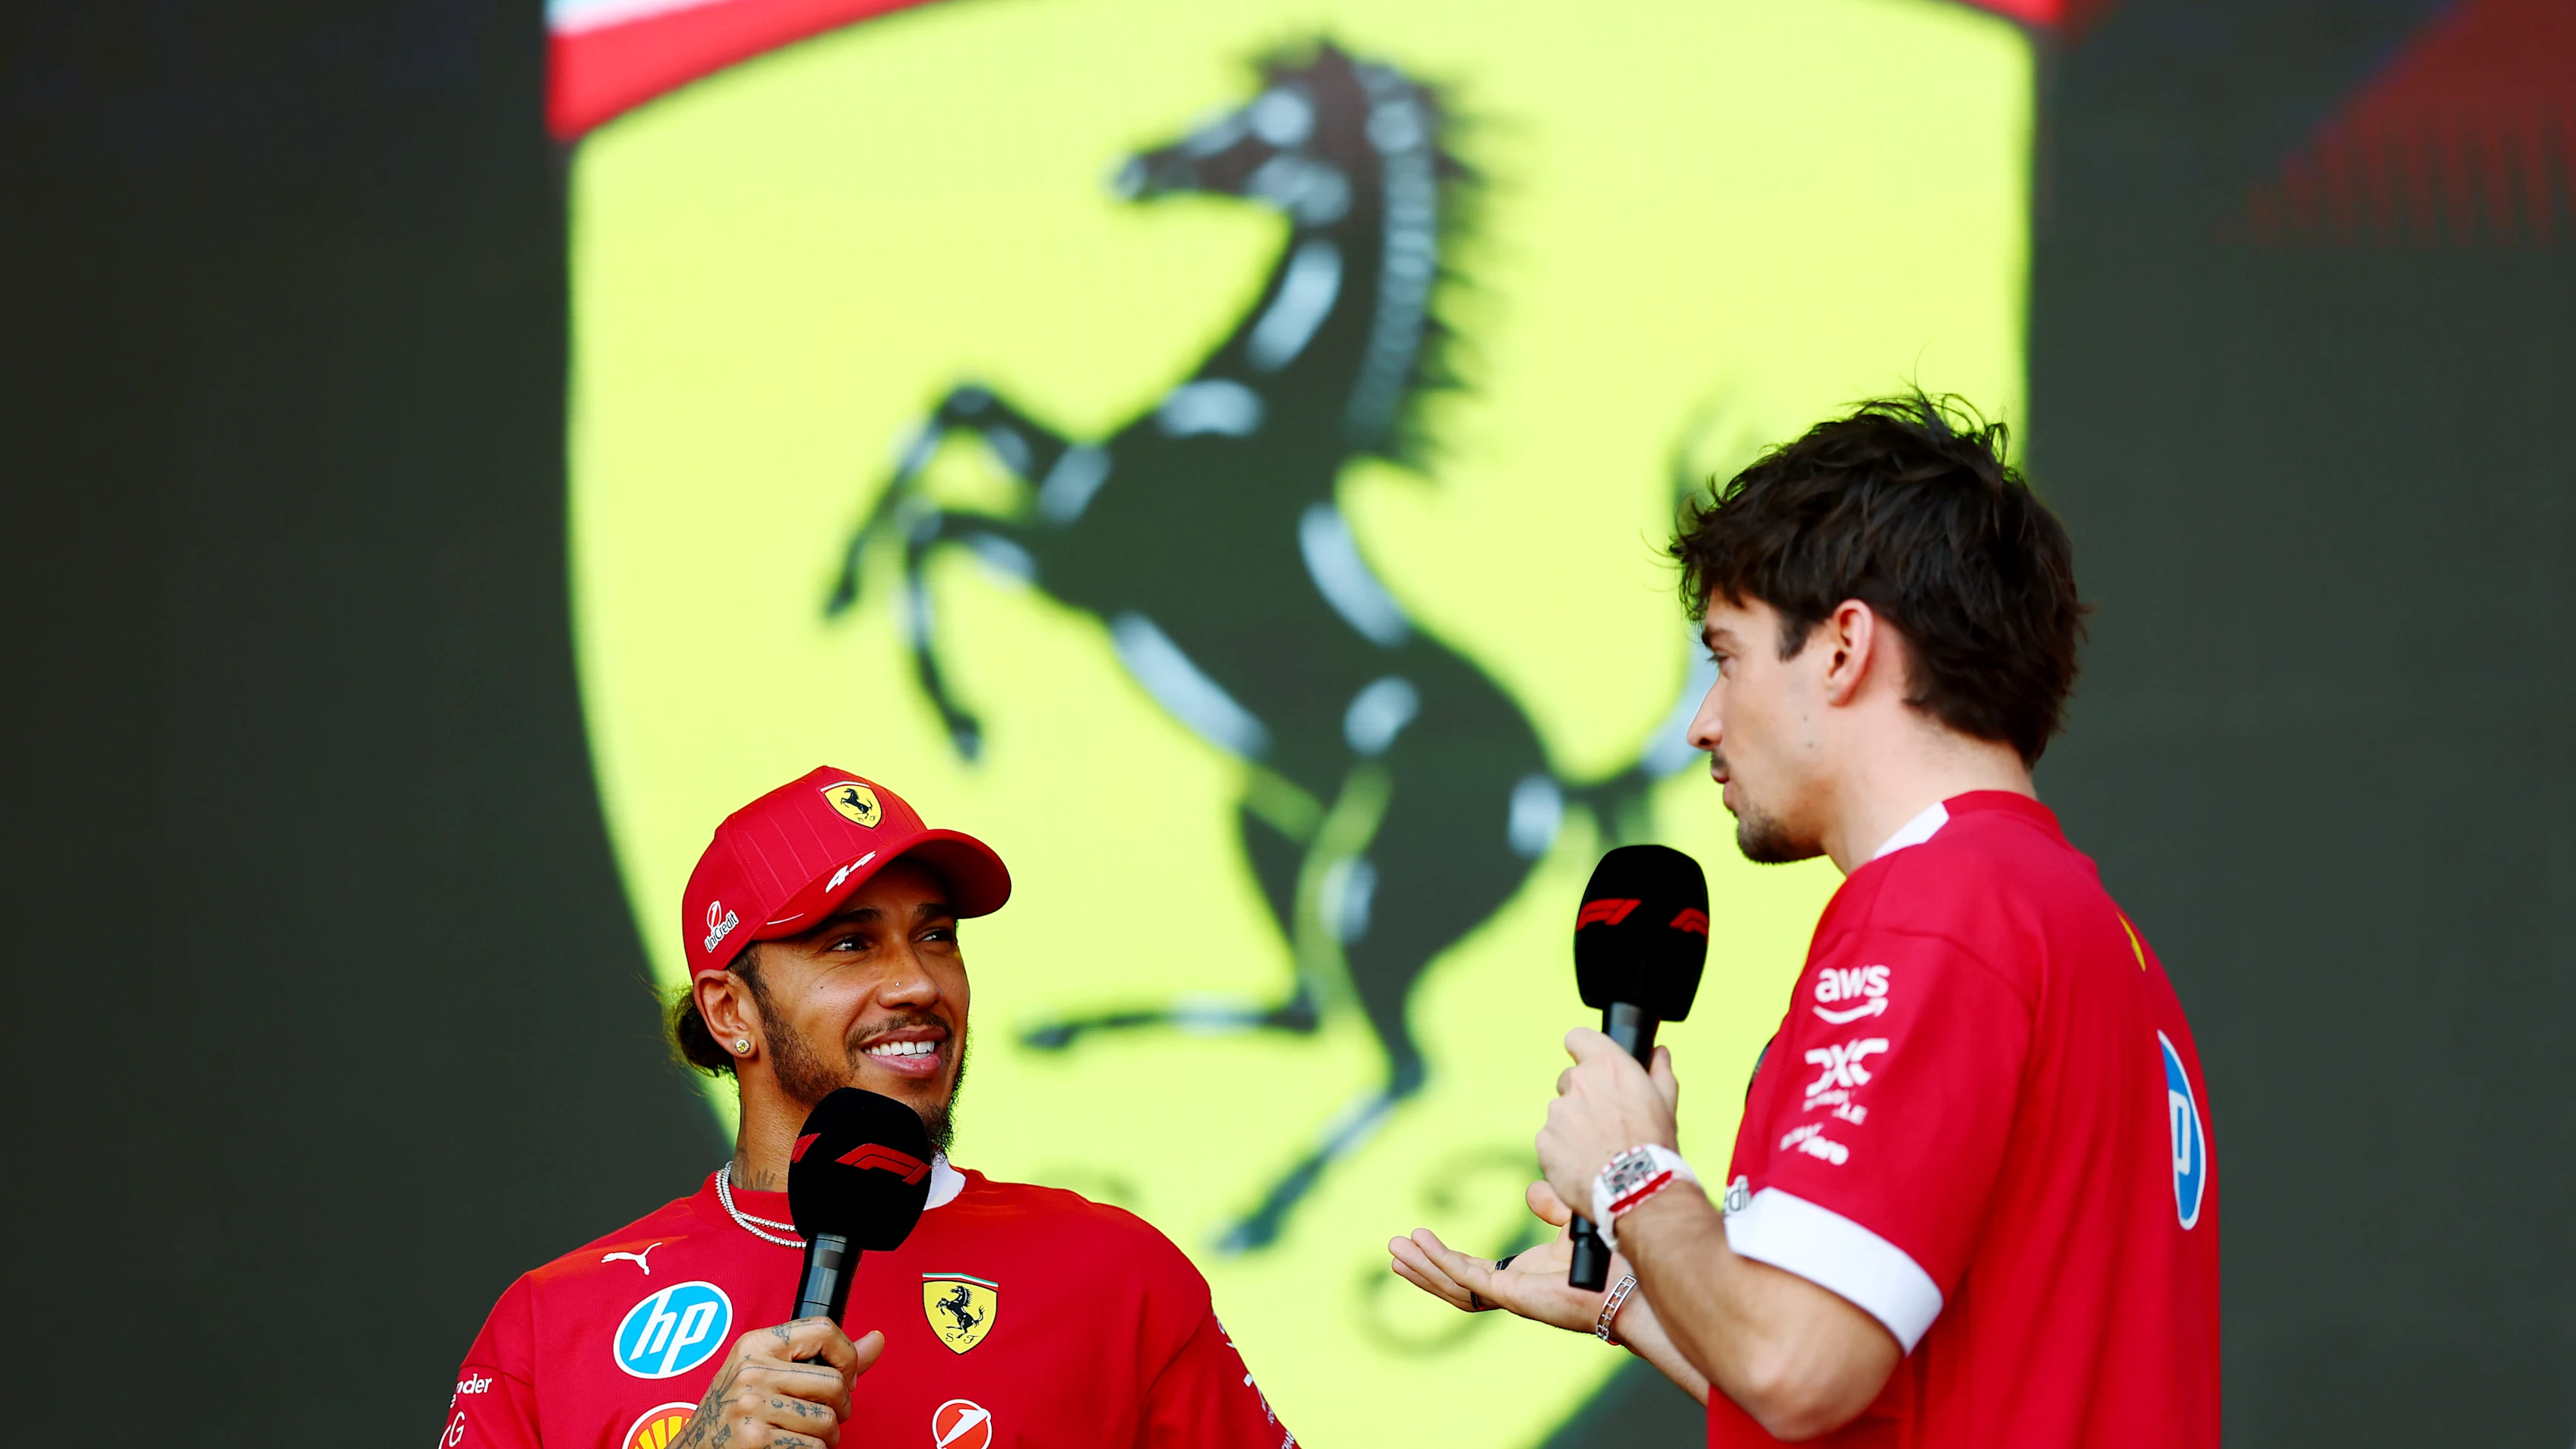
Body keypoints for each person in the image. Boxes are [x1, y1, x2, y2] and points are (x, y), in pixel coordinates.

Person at [1388, 396, 2218, 1446]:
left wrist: (1633, 1173)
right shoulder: (2082, 923)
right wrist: (1635, 1297)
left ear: (1842, 649)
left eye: (1725, 659)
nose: (1703, 724)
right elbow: (1891, 1390)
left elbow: (1797, 1365)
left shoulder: (1936, 911)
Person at [440, 766, 1293, 1449]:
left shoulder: (1118, 1276)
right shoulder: (553, 1324)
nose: (919, 983)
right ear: (729, 1011)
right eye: (850, 944)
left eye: (936, 936)